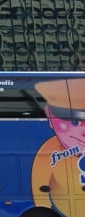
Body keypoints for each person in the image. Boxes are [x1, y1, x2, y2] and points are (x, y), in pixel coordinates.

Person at [31, 78, 85, 216]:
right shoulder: (49, 149)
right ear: (50, 116)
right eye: (74, 121)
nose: (83, 132)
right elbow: (39, 193)